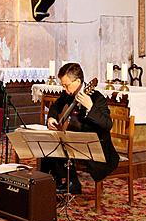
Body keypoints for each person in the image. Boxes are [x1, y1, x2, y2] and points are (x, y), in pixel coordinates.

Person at [40, 62, 119, 194]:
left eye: (66, 85)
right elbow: (55, 106)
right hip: (76, 142)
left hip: (96, 146)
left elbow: (107, 124)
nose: (65, 89)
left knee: (61, 146)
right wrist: (51, 118)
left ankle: (71, 182)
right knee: (48, 146)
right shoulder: (68, 94)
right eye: (63, 86)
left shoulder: (97, 97)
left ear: (77, 81)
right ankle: (55, 182)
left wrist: (90, 107)